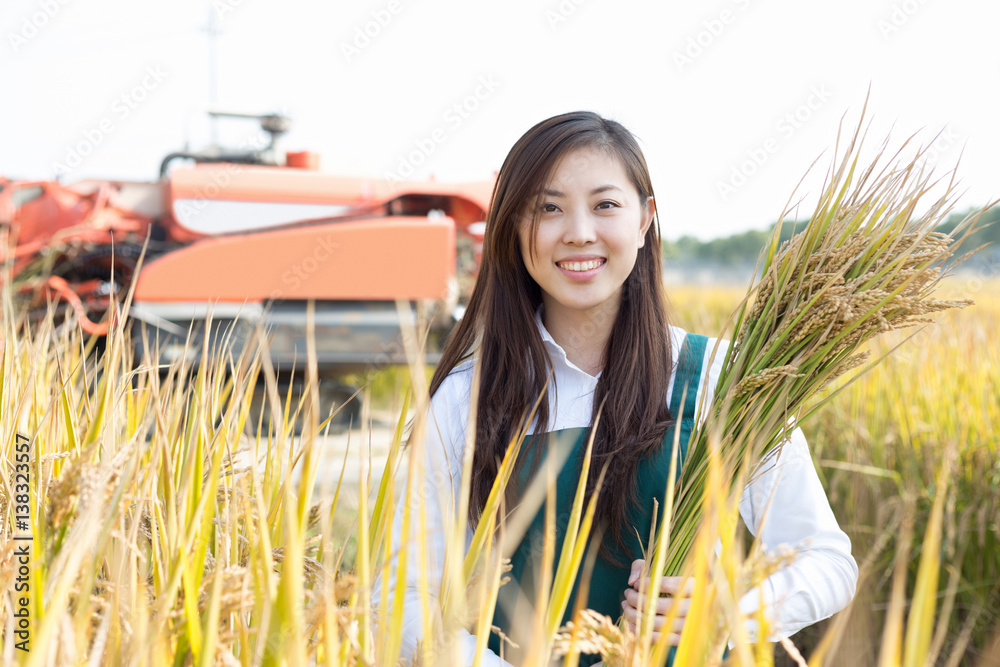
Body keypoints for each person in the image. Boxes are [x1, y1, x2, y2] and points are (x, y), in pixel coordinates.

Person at [373, 111, 858, 666]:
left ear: (646, 219)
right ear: (512, 227)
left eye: (605, 205)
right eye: (548, 208)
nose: (579, 230)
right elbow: (402, 598)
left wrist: (730, 611)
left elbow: (827, 559)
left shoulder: (724, 379)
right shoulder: (466, 398)